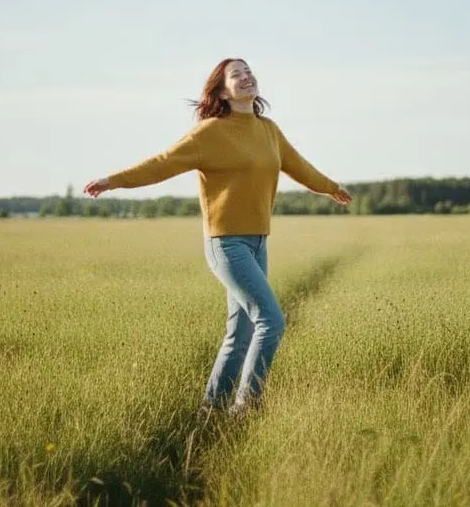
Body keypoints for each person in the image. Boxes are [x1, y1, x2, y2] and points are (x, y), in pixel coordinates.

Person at [83, 57, 351, 415]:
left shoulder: (268, 130)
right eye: (236, 75)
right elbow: (162, 163)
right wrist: (113, 180)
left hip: (258, 242)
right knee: (271, 320)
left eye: (248, 71)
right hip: (226, 243)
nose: (246, 77)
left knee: (240, 334)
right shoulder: (209, 133)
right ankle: (246, 405)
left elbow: (299, 166)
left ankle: (211, 409)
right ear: (222, 92)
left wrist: (331, 187)